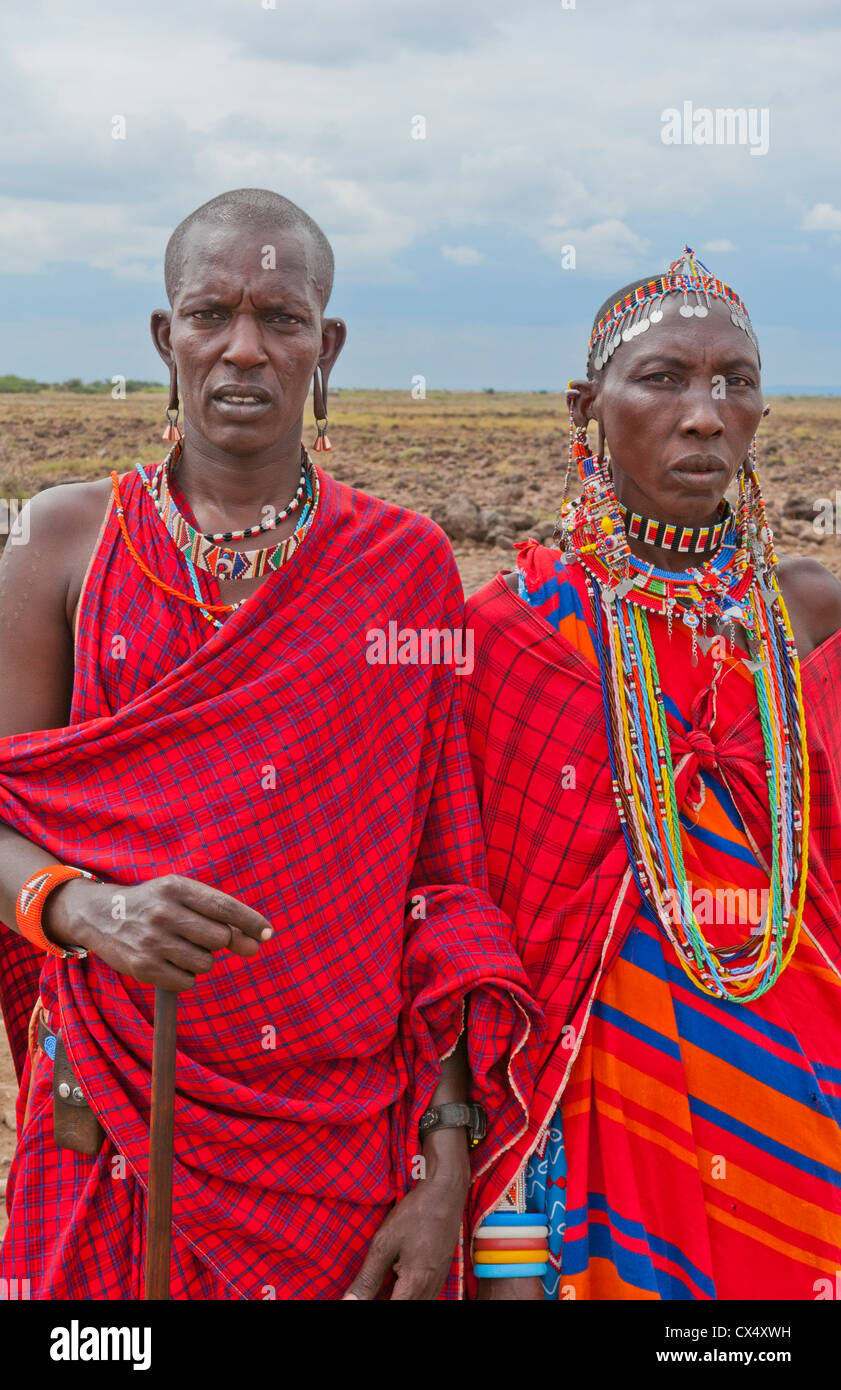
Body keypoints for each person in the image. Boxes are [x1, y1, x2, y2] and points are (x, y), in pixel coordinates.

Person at [0, 188, 538, 1301]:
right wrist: (85, 909)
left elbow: (443, 883)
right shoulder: (65, 543)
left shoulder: (405, 567)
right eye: (211, 312)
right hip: (110, 1105)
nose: (243, 348)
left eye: (281, 318)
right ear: (167, 336)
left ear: (324, 345)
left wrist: (443, 1165)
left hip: (336, 1143)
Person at [462, 248, 841, 1300]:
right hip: (590, 1093)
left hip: (799, 1085)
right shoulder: (515, 631)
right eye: (664, 378)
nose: (705, 413)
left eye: (735, 380)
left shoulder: (806, 614)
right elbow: (463, 901)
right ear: (586, 407)